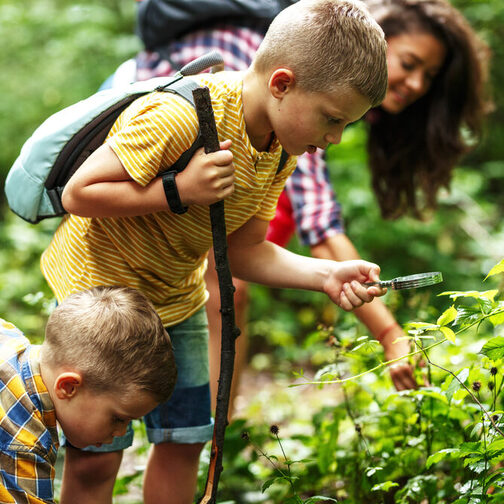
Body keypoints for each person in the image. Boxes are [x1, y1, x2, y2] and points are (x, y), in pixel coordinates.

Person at [40, 1, 389, 502]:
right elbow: (79, 194)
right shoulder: (179, 115)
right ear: (282, 84)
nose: (333, 139)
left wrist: (327, 274)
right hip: (101, 299)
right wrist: (178, 189)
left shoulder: (276, 151)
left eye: (345, 126)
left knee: (185, 443)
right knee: (97, 456)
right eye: (332, 119)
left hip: (178, 302)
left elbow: (244, 252)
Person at [130, 0, 490, 402]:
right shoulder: (301, 80)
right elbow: (319, 222)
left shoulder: (324, 103)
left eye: (429, 76)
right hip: (143, 143)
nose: (418, 84)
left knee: (235, 267)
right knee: (225, 283)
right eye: (409, 63)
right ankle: (210, 430)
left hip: (209, 174)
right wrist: (389, 335)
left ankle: (210, 436)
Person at [0, 285, 176, 504]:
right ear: (68, 387)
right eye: (118, 418)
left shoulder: (7, 336)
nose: (121, 432)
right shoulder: (25, 443)